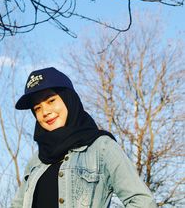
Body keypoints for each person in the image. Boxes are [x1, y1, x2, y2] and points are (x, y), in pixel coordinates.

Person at [11, 67, 157, 208]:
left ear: (68, 99)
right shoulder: (37, 161)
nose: (45, 112)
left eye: (51, 100)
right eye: (37, 108)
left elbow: (143, 202)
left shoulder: (102, 148)